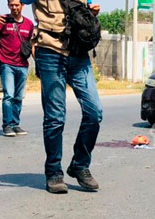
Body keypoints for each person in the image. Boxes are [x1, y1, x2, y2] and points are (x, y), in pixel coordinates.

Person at [22, 0, 103, 194]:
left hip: (78, 52)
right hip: (50, 51)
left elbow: (86, 7)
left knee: (94, 112)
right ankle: (53, 172)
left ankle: (80, 165)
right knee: (55, 117)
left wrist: (92, 11)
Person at [0, 0, 34, 137]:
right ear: (8, 6)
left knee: (18, 97)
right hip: (7, 64)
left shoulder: (29, 24)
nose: (14, 7)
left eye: (17, 5)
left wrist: (38, 63)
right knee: (9, 96)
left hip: (22, 65)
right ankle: (7, 125)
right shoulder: (2, 21)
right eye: (11, 5)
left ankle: (15, 124)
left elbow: (32, 44)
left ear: (22, 5)